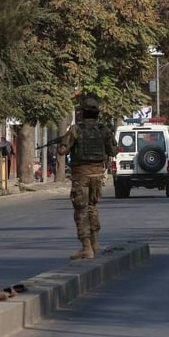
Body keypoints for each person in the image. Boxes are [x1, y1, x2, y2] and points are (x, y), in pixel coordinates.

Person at [57, 97, 117, 259]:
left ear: (82, 113)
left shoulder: (76, 130)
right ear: (97, 114)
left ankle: (86, 247)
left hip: (81, 175)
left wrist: (61, 143)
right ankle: (95, 244)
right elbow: (113, 151)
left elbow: (62, 151)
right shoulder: (104, 130)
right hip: (97, 175)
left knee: (81, 210)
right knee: (92, 207)